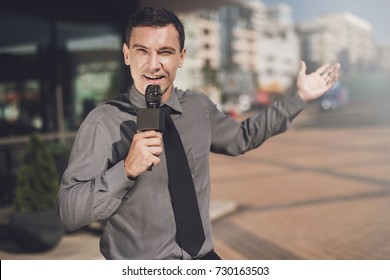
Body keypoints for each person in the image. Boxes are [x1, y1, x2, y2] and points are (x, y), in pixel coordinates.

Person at [57, 6, 340, 260]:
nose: (153, 64)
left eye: (165, 52)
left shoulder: (197, 106)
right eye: (142, 51)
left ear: (181, 58)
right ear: (126, 54)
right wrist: (126, 170)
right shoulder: (102, 122)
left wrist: (298, 98)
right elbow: (70, 212)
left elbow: (242, 136)